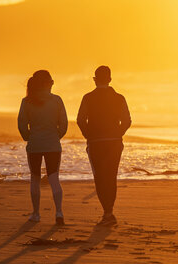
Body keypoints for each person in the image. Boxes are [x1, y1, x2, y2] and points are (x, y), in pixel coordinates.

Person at [77, 66, 131, 226]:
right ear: (110, 79)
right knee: (111, 176)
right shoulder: (119, 98)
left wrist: (89, 135)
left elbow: (80, 120)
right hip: (114, 142)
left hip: (96, 143)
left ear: (95, 79)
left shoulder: (87, 98)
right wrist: (118, 133)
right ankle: (109, 212)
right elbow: (127, 120)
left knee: (100, 177)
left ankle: (107, 212)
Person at [18, 70, 68, 225]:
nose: (53, 84)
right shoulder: (57, 100)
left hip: (34, 145)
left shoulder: (27, 101)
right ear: (47, 83)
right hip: (53, 145)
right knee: (54, 178)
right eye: (52, 82)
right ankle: (59, 212)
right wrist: (55, 136)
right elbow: (64, 124)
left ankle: (36, 213)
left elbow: (21, 124)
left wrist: (29, 137)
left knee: (35, 178)